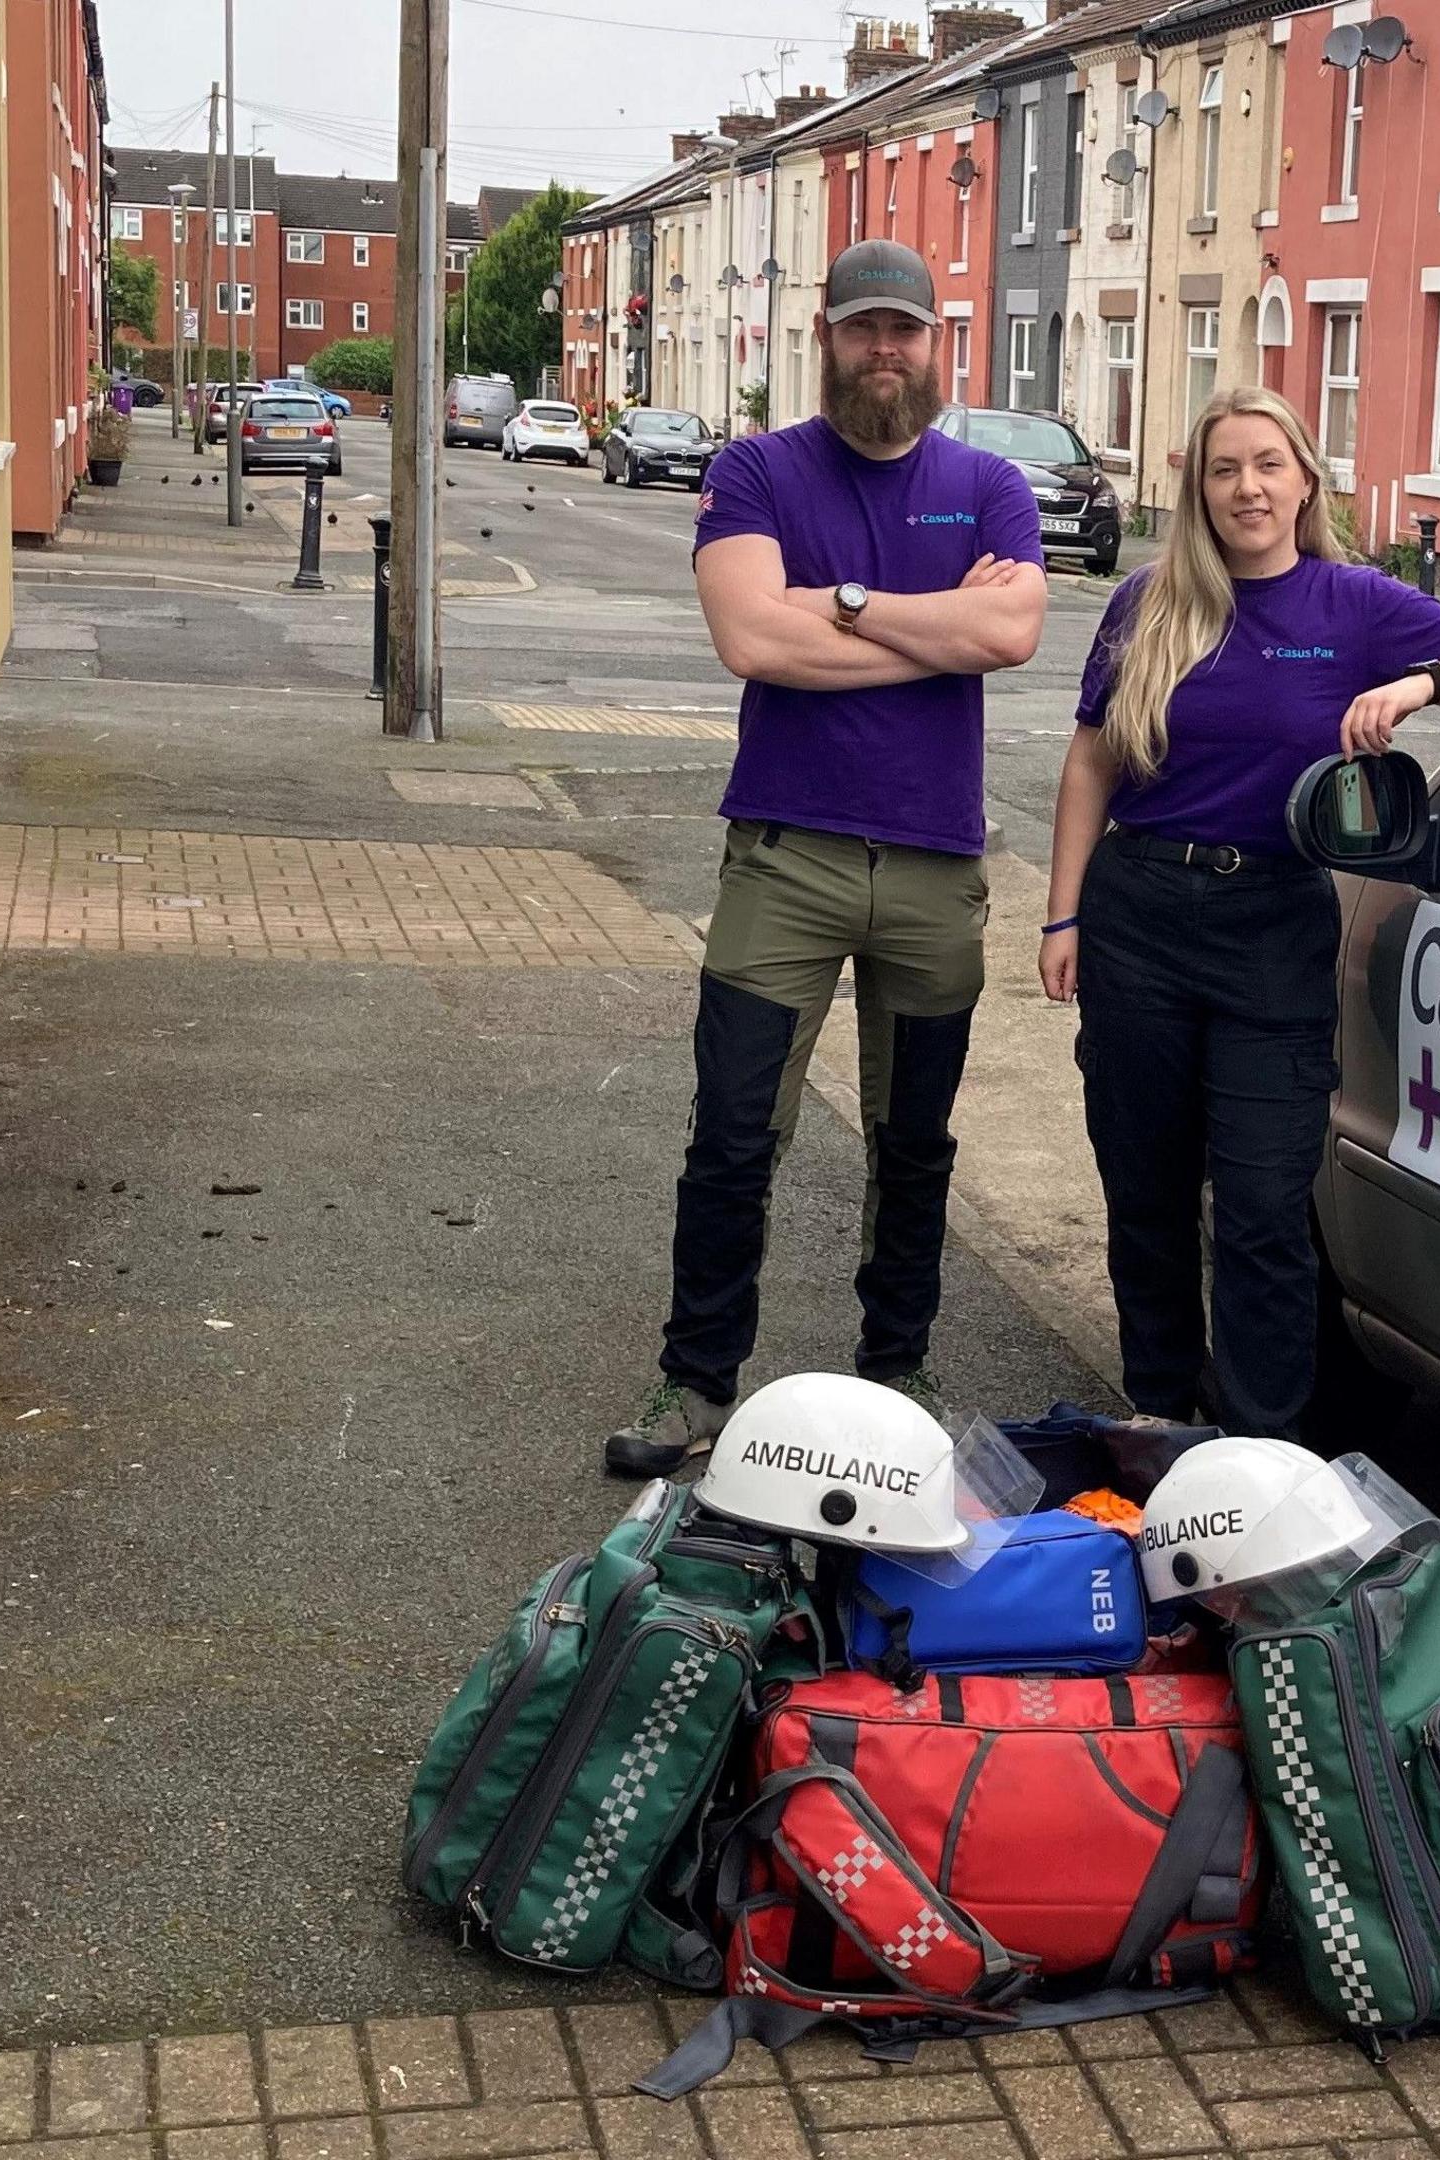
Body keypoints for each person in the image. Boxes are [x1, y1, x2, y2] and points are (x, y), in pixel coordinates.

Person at [608, 240, 1048, 1478]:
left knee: (915, 1138)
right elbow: (752, 637)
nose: (886, 353)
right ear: (827, 338)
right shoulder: (755, 468)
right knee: (737, 1129)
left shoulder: (991, 484)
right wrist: (931, 631)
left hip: (933, 872)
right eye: (865, 331)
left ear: (936, 343)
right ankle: (697, 1381)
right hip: (785, 859)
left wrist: (842, 606)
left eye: (906, 331)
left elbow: (1011, 630)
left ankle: (896, 1370)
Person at [1041, 386, 1440, 1436]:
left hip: (1273, 923)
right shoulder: (1148, 602)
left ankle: (1265, 1449)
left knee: (1266, 1206)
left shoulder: (1351, 604)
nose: (1247, 488)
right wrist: (1064, 917)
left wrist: (1418, 687)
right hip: (1140, 916)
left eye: (1268, 464)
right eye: (1225, 469)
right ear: (1199, 490)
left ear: (1306, 478)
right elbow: (1090, 762)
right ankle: (1159, 1416)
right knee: (1148, 1193)